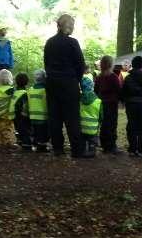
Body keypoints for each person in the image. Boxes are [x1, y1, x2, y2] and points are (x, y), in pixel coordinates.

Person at [43, 14, 86, 158]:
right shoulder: (73, 43)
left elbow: (46, 63)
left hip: (52, 83)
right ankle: (77, 150)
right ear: (68, 26)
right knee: (72, 117)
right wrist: (76, 80)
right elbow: (80, 65)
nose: (73, 28)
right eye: (72, 25)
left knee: (54, 116)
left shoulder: (49, 42)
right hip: (69, 83)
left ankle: (58, 148)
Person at [120, 55, 142, 157]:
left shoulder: (128, 77)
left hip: (130, 105)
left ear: (132, 65)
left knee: (131, 126)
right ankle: (141, 149)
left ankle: (132, 149)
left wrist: (124, 101)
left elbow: (123, 92)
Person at [95, 55, 122, 154]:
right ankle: (111, 146)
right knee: (111, 124)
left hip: (101, 103)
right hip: (111, 104)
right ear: (111, 64)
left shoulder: (99, 77)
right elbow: (119, 90)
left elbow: (96, 90)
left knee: (104, 124)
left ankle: (105, 145)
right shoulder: (113, 77)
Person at [0, 69, 16, 148]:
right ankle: (7, 143)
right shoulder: (11, 90)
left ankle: (2, 142)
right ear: (10, 78)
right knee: (7, 128)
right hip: (8, 113)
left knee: (1, 127)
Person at [78, 76, 101, 158]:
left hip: (81, 127)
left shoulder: (79, 99)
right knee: (92, 140)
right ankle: (92, 150)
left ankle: (83, 149)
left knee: (82, 139)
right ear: (92, 86)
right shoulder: (98, 101)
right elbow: (101, 115)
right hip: (93, 128)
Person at [28, 69, 49, 152]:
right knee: (43, 132)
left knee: (35, 131)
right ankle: (42, 147)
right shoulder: (45, 90)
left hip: (32, 115)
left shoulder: (30, 90)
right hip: (43, 116)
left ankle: (35, 144)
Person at [11, 72, 33, 151]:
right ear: (27, 82)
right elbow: (26, 105)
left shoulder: (14, 92)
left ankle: (20, 141)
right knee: (26, 130)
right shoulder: (25, 93)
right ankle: (27, 145)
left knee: (19, 129)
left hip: (15, 115)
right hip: (23, 115)